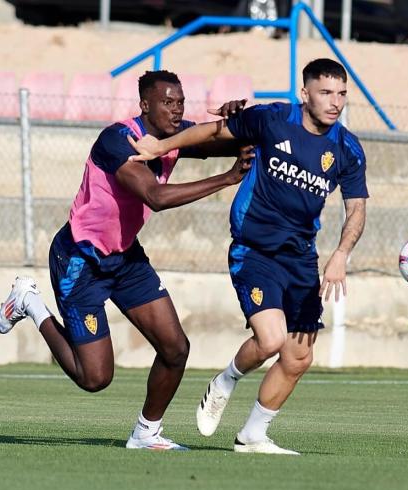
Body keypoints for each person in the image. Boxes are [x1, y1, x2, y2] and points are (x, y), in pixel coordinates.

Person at [0, 70, 253, 450]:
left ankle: (146, 434)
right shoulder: (117, 140)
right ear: (145, 105)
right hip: (81, 259)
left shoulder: (175, 137)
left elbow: (227, 140)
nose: (176, 109)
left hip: (125, 258)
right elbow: (156, 198)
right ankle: (29, 303)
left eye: (180, 102)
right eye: (167, 102)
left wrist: (237, 123)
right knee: (95, 378)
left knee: (175, 348)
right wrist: (227, 179)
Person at [128, 58, 368, 455]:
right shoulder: (272, 119)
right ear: (304, 94)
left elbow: (356, 208)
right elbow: (214, 130)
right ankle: (225, 381)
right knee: (271, 339)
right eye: (325, 93)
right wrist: (162, 145)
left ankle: (253, 435)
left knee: (298, 357)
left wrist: (341, 253)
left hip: (301, 258)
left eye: (341, 94)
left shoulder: (347, 148)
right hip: (254, 250)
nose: (335, 102)